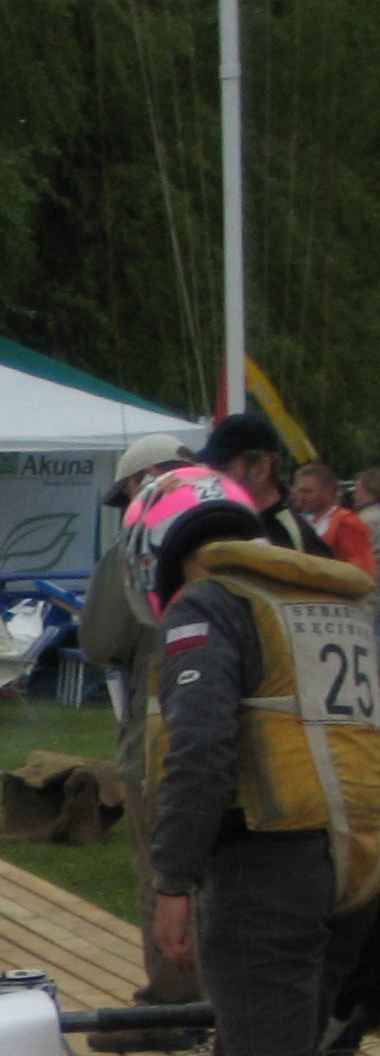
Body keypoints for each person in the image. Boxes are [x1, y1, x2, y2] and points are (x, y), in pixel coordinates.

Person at [132, 465, 380, 1056]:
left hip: (267, 859)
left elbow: (199, 747)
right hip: (357, 857)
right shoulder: (332, 600)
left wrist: (173, 878)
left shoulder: (210, 606)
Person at [80, 430, 207, 1016]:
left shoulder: (134, 552)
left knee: (160, 870)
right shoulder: (249, 535)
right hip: (243, 742)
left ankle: (173, 1002)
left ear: (141, 480)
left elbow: (103, 641)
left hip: (158, 741)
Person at [202, 412, 338, 561]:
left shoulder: (292, 537)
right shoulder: (223, 524)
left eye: (225, 469)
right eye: (211, 470)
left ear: (261, 469)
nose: (214, 479)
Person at [291, 462, 374, 576]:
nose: (301, 497)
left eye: (307, 492)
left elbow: (361, 573)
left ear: (329, 493)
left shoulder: (347, 523)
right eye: (299, 491)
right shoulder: (306, 522)